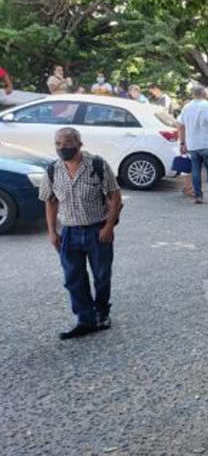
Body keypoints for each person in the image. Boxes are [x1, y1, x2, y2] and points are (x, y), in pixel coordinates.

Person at [38, 128, 122, 340]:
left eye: (67, 143)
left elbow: (115, 196)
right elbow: (50, 201)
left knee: (101, 275)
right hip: (69, 233)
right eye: (58, 144)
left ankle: (102, 312)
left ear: (79, 144)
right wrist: (52, 232)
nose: (62, 148)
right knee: (73, 278)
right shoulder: (53, 170)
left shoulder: (97, 165)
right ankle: (85, 320)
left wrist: (109, 226)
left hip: (97, 231)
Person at [178, 86, 208, 204]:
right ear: (205, 94)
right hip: (207, 143)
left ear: (194, 94)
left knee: (195, 171)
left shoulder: (186, 107)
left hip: (192, 144)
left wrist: (183, 143)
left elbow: (181, 125)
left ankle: (198, 196)